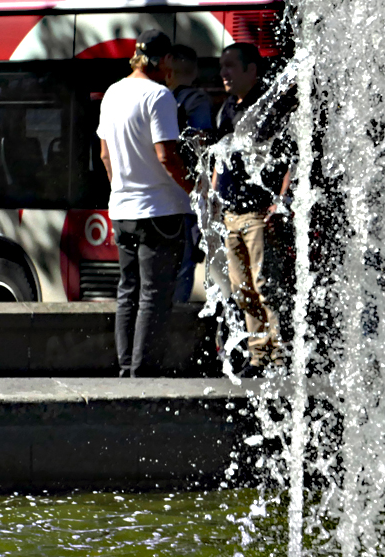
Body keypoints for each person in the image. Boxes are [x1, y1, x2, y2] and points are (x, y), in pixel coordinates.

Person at [97, 29, 194, 377]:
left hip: (122, 211)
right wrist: (196, 189)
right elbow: (166, 155)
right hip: (160, 211)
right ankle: (145, 373)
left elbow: (105, 153)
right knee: (154, 294)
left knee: (128, 291)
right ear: (164, 60)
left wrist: (121, 190)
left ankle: (126, 368)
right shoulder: (159, 96)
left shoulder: (112, 93)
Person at [212, 42, 290, 376]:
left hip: (258, 213)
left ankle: (281, 356)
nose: (224, 73)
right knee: (242, 289)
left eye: (231, 66)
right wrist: (215, 197)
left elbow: (290, 157)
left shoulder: (269, 108)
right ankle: (258, 355)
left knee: (266, 285)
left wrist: (281, 201)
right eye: (222, 66)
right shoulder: (227, 109)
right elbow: (220, 157)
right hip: (231, 214)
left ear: (252, 71)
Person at [162, 44, 212, 302]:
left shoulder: (157, 100)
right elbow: (201, 144)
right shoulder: (197, 100)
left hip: (159, 197)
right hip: (185, 196)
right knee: (182, 269)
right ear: (194, 71)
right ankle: (175, 332)